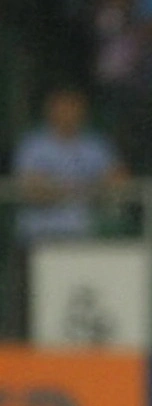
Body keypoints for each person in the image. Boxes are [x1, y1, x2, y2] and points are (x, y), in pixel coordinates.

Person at [9, 86, 128, 339]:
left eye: (73, 108)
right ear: (51, 111)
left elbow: (119, 184)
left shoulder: (95, 146)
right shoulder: (34, 145)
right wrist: (85, 188)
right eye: (62, 107)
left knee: (70, 308)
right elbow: (33, 192)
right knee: (31, 308)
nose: (68, 114)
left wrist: (60, 187)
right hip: (38, 238)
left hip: (80, 239)